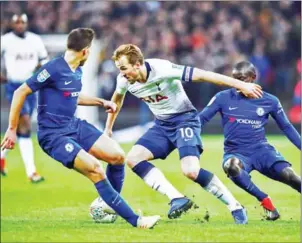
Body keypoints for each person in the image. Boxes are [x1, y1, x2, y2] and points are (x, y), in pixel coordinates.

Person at [1, 28, 160, 229]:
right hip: (53, 135)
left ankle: (103, 206)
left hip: (73, 125)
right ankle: (137, 221)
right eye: (91, 49)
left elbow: (73, 96)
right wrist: (12, 129)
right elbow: (20, 91)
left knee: (117, 156)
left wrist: (101, 102)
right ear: (85, 51)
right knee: (95, 169)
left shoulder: (77, 70)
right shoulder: (53, 68)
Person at [105, 44, 263, 224]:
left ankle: (235, 206)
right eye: (119, 69)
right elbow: (116, 101)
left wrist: (241, 85)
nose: (122, 73)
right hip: (162, 125)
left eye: (124, 68)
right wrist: (108, 129)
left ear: (138, 64)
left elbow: (204, 75)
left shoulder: (162, 69)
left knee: (190, 171)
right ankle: (177, 199)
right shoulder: (124, 80)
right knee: (133, 158)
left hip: (184, 120)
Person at [199, 61, 301, 220]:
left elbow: (286, 127)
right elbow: (201, 119)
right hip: (236, 152)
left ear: (254, 77)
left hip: (262, 151)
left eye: (242, 79)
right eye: (235, 79)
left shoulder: (270, 101)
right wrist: (187, 135)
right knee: (231, 166)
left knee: (291, 177)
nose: (238, 84)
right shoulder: (222, 98)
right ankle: (266, 201)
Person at [0, 14, 49, 182]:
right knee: (25, 124)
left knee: (20, 128)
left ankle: (1, 157)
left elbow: (44, 59)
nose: (20, 25)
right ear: (12, 24)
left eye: (22, 22)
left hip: (31, 87)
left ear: (27, 23)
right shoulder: (5, 40)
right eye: (16, 22)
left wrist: (39, 67)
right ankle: (31, 173)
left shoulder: (35, 40)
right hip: (14, 87)